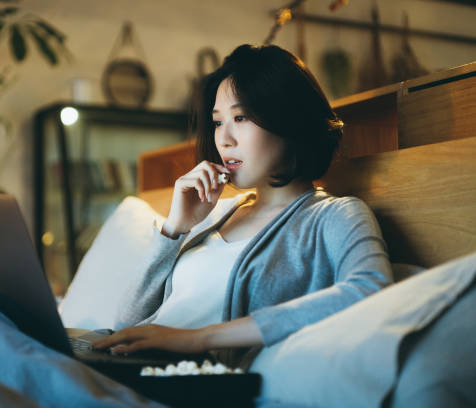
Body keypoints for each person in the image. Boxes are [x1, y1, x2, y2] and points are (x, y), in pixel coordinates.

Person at [93, 44, 392, 366]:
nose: (224, 139)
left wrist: (199, 338)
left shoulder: (334, 215)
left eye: (241, 117)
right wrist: (175, 229)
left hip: (191, 384)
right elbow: (124, 325)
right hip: (134, 367)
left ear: (290, 120)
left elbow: (371, 291)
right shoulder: (219, 213)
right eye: (218, 122)